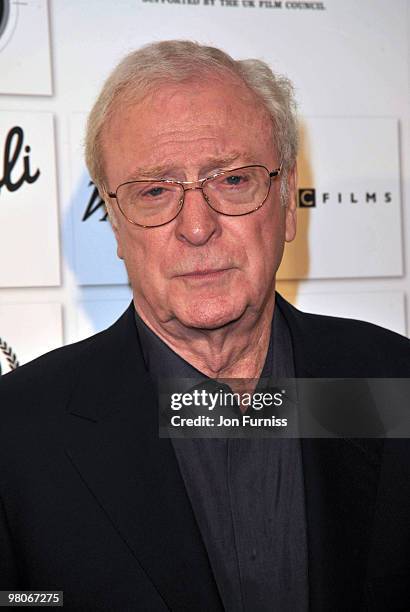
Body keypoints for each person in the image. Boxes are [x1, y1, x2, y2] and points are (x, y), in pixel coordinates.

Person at [1, 40, 410, 612]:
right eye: (154, 191)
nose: (197, 227)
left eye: (233, 180)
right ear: (115, 224)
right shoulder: (17, 434)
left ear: (287, 200)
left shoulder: (393, 383)